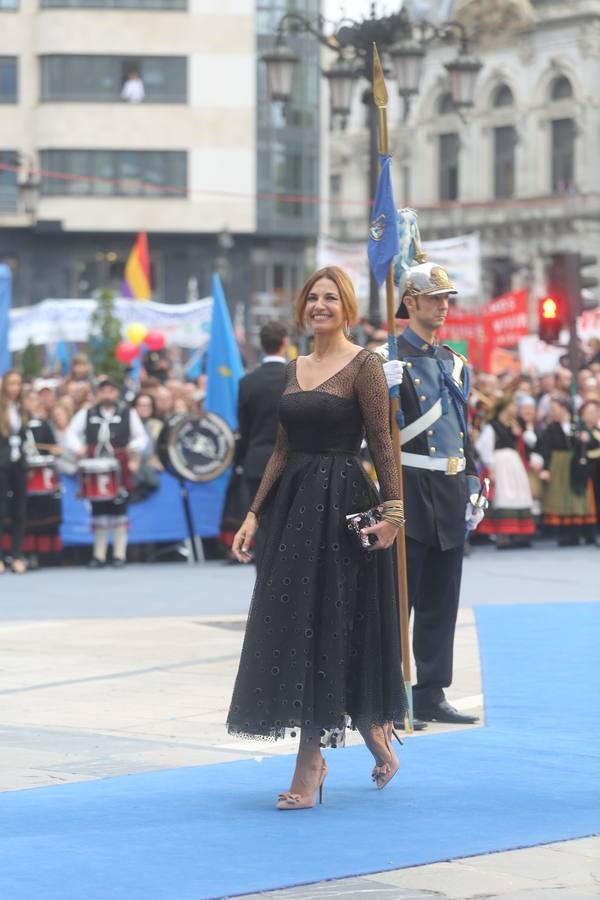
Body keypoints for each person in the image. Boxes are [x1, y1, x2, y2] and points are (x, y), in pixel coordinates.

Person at [227, 266, 407, 810]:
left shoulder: (365, 366)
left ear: (347, 308)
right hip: (291, 509)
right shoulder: (293, 367)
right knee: (294, 625)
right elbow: (282, 448)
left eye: (331, 298)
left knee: (333, 623)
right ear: (303, 308)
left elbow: (382, 443)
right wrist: (254, 513)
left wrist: (394, 514)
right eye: (313, 297)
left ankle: (314, 760)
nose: (320, 305)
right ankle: (370, 732)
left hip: (342, 504)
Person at [381, 261, 484, 725]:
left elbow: (460, 428)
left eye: (447, 298)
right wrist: (381, 389)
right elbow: (376, 436)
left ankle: (430, 691)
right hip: (409, 482)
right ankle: (388, 692)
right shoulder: (385, 359)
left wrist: (472, 478)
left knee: (443, 595)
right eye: (435, 297)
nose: (444, 306)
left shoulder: (455, 362)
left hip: (448, 486)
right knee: (400, 596)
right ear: (410, 303)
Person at [65, 377, 148, 567]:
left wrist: (132, 448)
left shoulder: (128, 413)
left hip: (119, 467)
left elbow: (142, 437)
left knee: (119, 508)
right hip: (95, 467)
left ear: (116, 393)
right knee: (98, 510)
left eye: (111, 390)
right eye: (103, 391)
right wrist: (78, 448)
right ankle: (99, 555)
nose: (107, 394)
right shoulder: (87, 413)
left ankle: (119, 554)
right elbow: (70, 433)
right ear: (98, 394)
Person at [236, 320, 288, 507]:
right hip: (290, 463)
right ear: (284, 342)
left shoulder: (247, 382)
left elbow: (244, 427)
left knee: (259, 526)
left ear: (262, 344)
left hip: (256, 463)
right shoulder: (296, 378)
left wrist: (239, 461)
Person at [535, 395, 597, 545]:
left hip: (576, 466)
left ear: (564, 409)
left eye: (554, 409)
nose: (552, 413)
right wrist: (545, 468)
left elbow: (593, 442)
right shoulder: (551, 428)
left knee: (577, 497)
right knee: (561, 497)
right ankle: (565, 534)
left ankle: (581, 532)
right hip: (559, 466)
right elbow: (545, 449)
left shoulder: (578, 425)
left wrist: (586, 440)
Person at [475, 394, 535, 548]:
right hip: (501, 463)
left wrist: (521, 430)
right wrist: (491, 465)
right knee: (503, 495)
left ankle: (519, 534)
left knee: (518, 494)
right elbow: (483, 447)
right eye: (513, 406)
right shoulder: (492, 427)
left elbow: (530, 442)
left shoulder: (514, 425)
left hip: (514, 463)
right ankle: (503, 535)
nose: (515, 409)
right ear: (505, 407)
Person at [21, 389, 63, 568]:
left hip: (42, 475)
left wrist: (55, 450)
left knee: (44, 513)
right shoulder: (17, 424)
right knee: (24, 514)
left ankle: (44, 555)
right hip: (22, 474)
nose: (33, 403)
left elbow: (52, 448)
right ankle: (25, 553)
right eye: (29, 400)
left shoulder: (43, 425)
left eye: (35, 401)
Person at [0, 371, 28, 574]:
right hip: (2, 465)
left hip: (19, 465)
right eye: (11, 383)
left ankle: (17, 555)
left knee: (20, 511)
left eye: (18, 383)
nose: (15, 387)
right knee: (1, 511)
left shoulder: (22, 409)